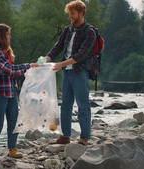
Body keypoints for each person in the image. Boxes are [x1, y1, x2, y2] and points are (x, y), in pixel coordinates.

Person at [0, 23, 39, 165]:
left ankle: (12, 149)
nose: (10, 36)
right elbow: (9, 70)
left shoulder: (7, 51)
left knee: (14, 122)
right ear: (2, 35)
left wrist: (28, 68)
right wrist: (28, 65)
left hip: (11, 92)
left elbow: (13, 70)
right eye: (8, 33)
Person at [45, 0, 96, 146]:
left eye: (73, 13)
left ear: (81, 13)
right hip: (67, 73)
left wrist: (61, 64)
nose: (71, 16)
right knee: (65, 105)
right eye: (70, 14)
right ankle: (65, 136)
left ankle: (85, 137)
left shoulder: (89, 32)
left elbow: (82, 55)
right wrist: (45, 59)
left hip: (80, 73)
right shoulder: (68, 30)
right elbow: (58, 47)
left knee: (83, 105)